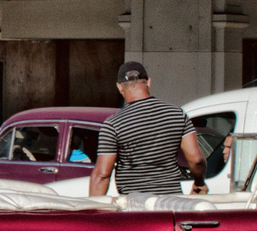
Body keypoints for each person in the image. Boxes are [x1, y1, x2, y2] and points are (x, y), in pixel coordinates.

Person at [88, 61, 207, 197]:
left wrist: (93, 210)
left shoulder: (113, 124)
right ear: (148, 82)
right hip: (171, 204)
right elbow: (196, 159)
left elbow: (102, 174)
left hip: (136, 207)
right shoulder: (177, 114)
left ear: (120, 87)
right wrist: (199, 182)